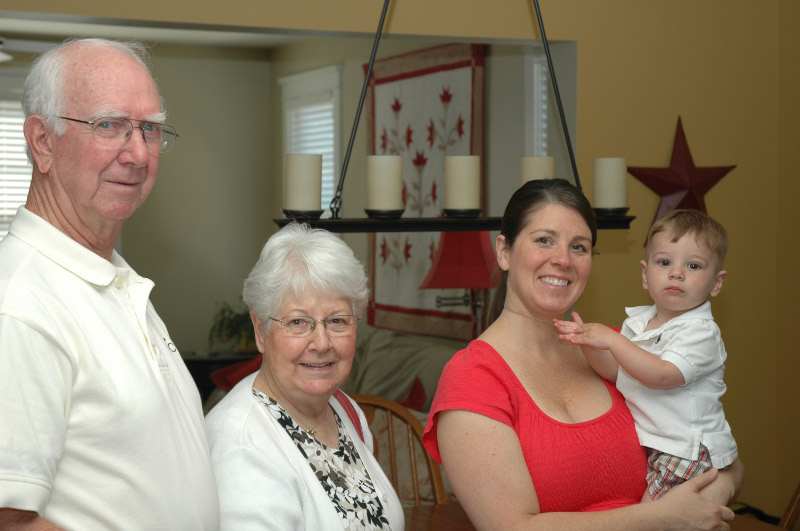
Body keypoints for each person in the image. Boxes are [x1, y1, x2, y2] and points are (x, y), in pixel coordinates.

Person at [422, 179, 743, 530]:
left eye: (579, 246)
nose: (562, 259)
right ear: (504, 252)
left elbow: (720, 456)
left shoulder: (620, 348)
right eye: (544, 240)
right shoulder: (473, 377)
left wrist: (712, 495)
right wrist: (663, 517)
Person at [0, 39, 219, 529]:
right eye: (109, 126)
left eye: (149, 129)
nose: (138, 154)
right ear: (42, 142)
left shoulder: (114, 281)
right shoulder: (20, 304)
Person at [204, 222, 404, 530]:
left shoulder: (344, 409)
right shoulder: (241, 448)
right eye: (297, 322)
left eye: (337, 321)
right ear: (261, 331)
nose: (321, 343)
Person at [554, 209, 737, 503]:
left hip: (686, 450)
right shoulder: (638, 323)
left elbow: (661, 375)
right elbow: (617, 372)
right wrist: (586, 342)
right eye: (664, 262)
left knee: (653, 516)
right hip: (658, 447)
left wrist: (612, 339)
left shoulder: (701, 331)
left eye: (693, 265)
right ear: (645, 274)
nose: (676, 273)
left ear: (716, 283)